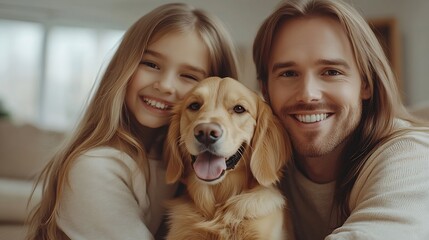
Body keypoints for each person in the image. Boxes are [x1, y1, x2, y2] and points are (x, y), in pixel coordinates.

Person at [26, 3, 239, 240]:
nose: (166, 85)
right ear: (124, 66)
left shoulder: (196, 166)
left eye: (189, 76)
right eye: (151, 64)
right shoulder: (94, 167)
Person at [252, 0, 429, 239]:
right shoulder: (255, 163)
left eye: (331, 72)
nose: (308, 94)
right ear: (265, 89)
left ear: (366, 83)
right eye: (289, 73)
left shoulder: (411, 156)